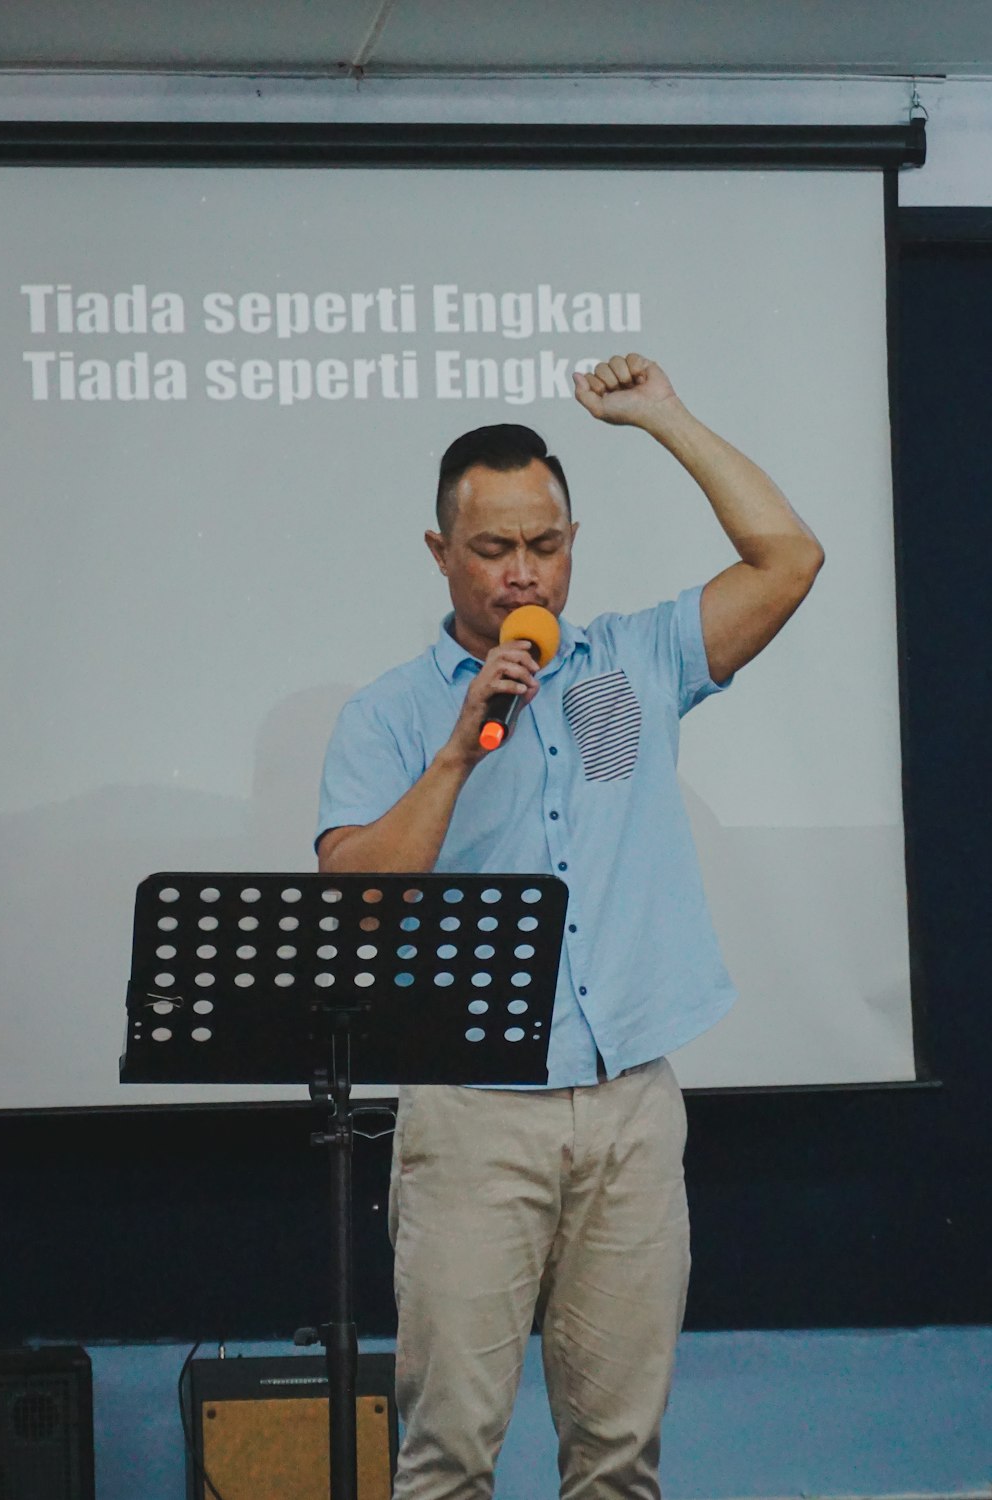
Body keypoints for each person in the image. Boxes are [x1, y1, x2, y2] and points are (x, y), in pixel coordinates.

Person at [315, 352, 824, 1500]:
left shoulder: (632, 667)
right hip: (473, 1119)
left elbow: (787, 560)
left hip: (630, 1107)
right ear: (441, 554)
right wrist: (459, 744)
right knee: (448, 1458)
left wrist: (664, 418)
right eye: (492, 549)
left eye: (545, 543)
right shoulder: (391, 713)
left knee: (618, 1461)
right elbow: (351, 900)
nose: (521, 572)